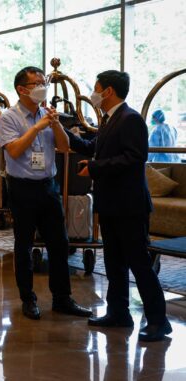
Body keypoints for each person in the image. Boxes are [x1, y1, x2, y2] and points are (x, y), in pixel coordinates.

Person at [69, 70, 171, 342]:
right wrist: (61, 132)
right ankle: (118, 313)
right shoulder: (110, 119)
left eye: (96, 87)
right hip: (111, 204)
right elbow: (93, 147)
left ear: (109, 91)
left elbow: (134, 158)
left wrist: (94, 168)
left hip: (130, 205)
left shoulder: (131, 119)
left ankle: (159, 322)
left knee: (139, 263)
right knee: (114, 262)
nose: (93, 92)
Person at [0, 66, 92, 320]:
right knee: (24, 245)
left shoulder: (48, 114)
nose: (43, 87)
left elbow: (64, 148)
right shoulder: (8, 117)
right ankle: (28, 299)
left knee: (60, 244)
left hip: (48, 186)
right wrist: (37, 128)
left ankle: (63, 298)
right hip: (22, 187)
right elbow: (14, 151)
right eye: (37, 83)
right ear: (22, 89)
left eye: (43, 82)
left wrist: (56, 124)